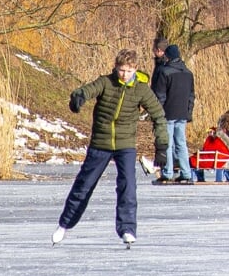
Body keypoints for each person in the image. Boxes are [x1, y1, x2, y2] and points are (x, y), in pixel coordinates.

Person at [54, 50, 167, 248]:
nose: (125, 75)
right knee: (84, 185)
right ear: (116, 68)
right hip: (101, 143)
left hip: (125, 145)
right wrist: (78, 98)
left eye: (129, 70)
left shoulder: (141, 89)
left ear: (135, 69)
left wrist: (162, 146)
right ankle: (65, 224)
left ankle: (127, 229)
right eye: (122, 70)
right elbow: (87, 90)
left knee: (128, 186)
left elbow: (158, 115)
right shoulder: (106, 82)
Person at [150, 43, 196, 185]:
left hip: (167, 113)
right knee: (181, 144)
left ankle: (168, 172)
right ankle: (186, 173)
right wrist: (188, 112)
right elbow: (191, 96)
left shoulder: (165, 72)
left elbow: (160, 96)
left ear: (168, 56)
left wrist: (157, 113)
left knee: (168, 143)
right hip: (182, 114)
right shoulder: (188, 73)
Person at [190, 113, 229, 183]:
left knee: (187, 161)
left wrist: (209, 137)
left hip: (211, 162)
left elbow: (207, 149)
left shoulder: (218, 140)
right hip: (221, 160)